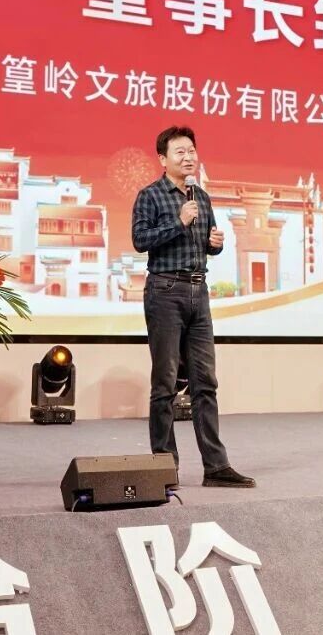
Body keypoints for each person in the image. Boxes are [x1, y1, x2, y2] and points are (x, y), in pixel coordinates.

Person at [131, 125, 254, 488]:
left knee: (205, 383)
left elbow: (207, 245)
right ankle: (163, 468)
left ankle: (216, 466)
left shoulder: (201, 196)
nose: (188, 158)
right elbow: (140, 239)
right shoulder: (150, 195)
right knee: (165, 383)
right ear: (163, 159)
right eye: (180, 152)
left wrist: (215, 243)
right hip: (165, 291)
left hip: (199, 292)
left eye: (191, 151)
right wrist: (178, 221)